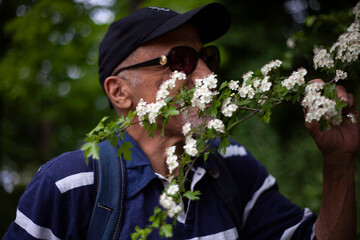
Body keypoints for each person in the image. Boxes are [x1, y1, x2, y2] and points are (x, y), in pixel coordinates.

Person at [3, 3, 359, 240]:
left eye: (207, 57)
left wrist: (338, 162)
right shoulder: (67, 187)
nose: (207, 77)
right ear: (120, 92)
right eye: (182, 60)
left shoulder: (232, 166)